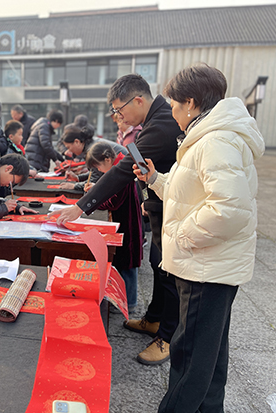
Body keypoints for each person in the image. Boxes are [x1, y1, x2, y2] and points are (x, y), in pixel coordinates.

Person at [132, 64, 264, 412]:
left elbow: (228, 210)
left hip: (206, 267)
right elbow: (191, 193)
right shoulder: (209, 135)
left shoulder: (215, 140)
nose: (172, 112)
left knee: (190, 358)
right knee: (210, 357)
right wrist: (155, 179)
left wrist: (181, 235)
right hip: (212, 264)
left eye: (174, 105)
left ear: (190, 103)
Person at [51, 74, 181, 365]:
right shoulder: (154, 121)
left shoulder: (161, 124)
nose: (118, 117)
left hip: (176, 212)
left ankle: (169, 337)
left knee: (169, 272)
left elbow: (122, 171)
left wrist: (80, 207)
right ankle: (155, 319)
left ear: (138, 100)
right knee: (158, 265)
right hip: (160, 206)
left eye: (119, 111)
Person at [85, 141, 142, 313]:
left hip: (127, 221)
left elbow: (113, 202)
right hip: (125, 218)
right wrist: (97, 189)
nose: (99, 170)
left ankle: (130, 303)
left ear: (108, 159)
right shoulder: (118, 166)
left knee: (127, 264)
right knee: (124, 262)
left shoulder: (121, 170)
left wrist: (94, 198)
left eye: (99, 166)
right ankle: (125, 300)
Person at [59, 126, 127, 192]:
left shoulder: (92, 150)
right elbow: (95, 172)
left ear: (77, 142)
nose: (68, 151)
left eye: (68, 147)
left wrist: (74, 186)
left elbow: (94, 179)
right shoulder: (90, 144)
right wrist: (78, 178)